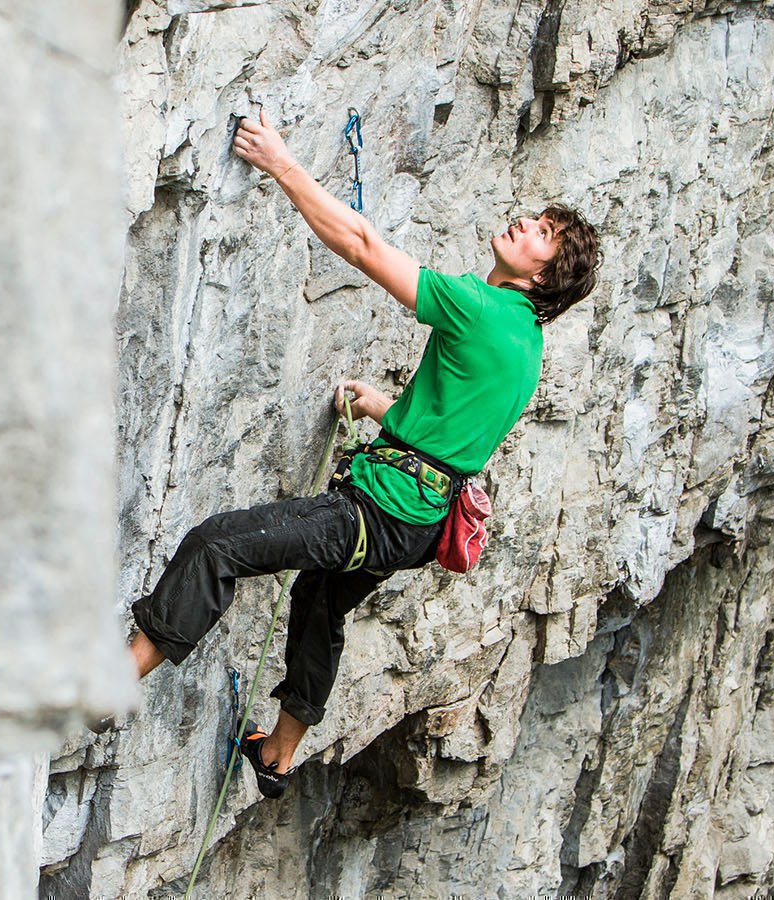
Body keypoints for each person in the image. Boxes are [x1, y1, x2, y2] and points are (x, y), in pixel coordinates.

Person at [114, 112, 603, 800]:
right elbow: (465, 424)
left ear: (543, 275)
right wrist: (384, 410)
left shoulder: (479, 306)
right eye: (535, 220)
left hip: (380, 510)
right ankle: (277, 752)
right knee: (319, 602)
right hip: (420, 520)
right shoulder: (524, 340)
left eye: (541, 234)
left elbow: (363, 244)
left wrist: (281, 163)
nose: (524, 224)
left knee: (218, 544)